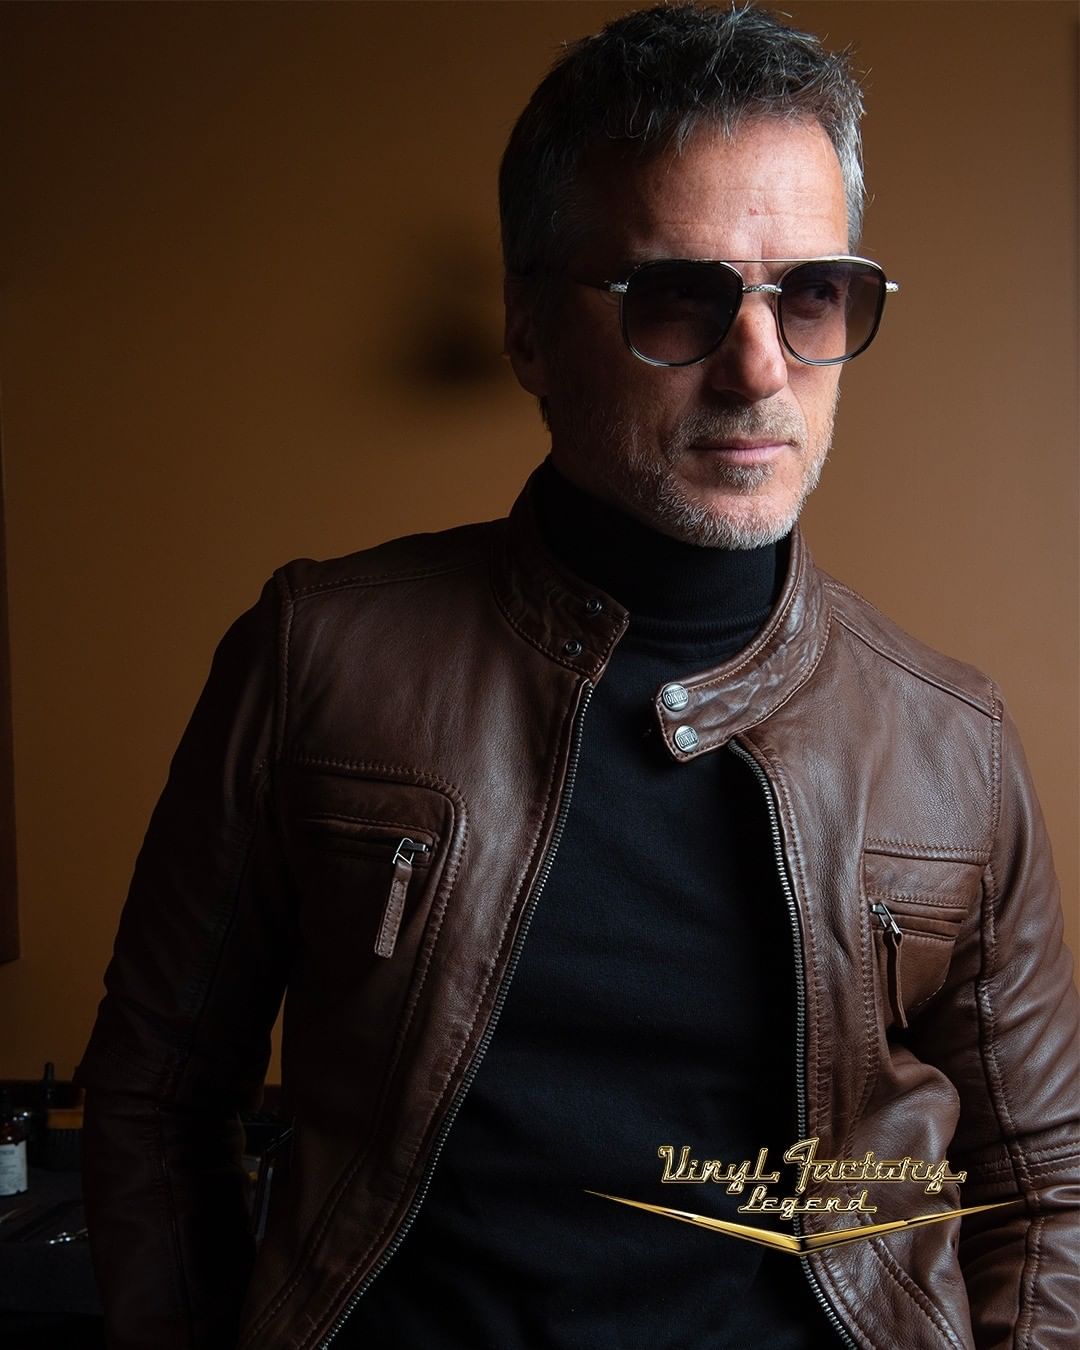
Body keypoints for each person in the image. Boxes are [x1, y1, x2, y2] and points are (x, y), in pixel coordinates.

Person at [77, 4, 1079, 1348]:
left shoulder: (954, 745)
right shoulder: (317, 654)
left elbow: (1044, 1182)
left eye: (812, 295)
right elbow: (155, 1096)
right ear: (531, 331)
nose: (761, 369)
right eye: (680, 297)